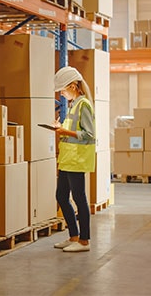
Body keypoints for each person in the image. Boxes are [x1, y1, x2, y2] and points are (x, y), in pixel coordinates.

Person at [52, 66, 96, 252]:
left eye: (63, 90)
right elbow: (72, 133)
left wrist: (64, 131)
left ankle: (84, 240)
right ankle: (74, 236)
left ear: (72, 86)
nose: (62, 94)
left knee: (79, 198)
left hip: (77, 160)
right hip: (68, 159)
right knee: (61, 196)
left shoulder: (83, 104)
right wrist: (60, 127)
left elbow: (89, 134)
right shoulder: (73, 105)